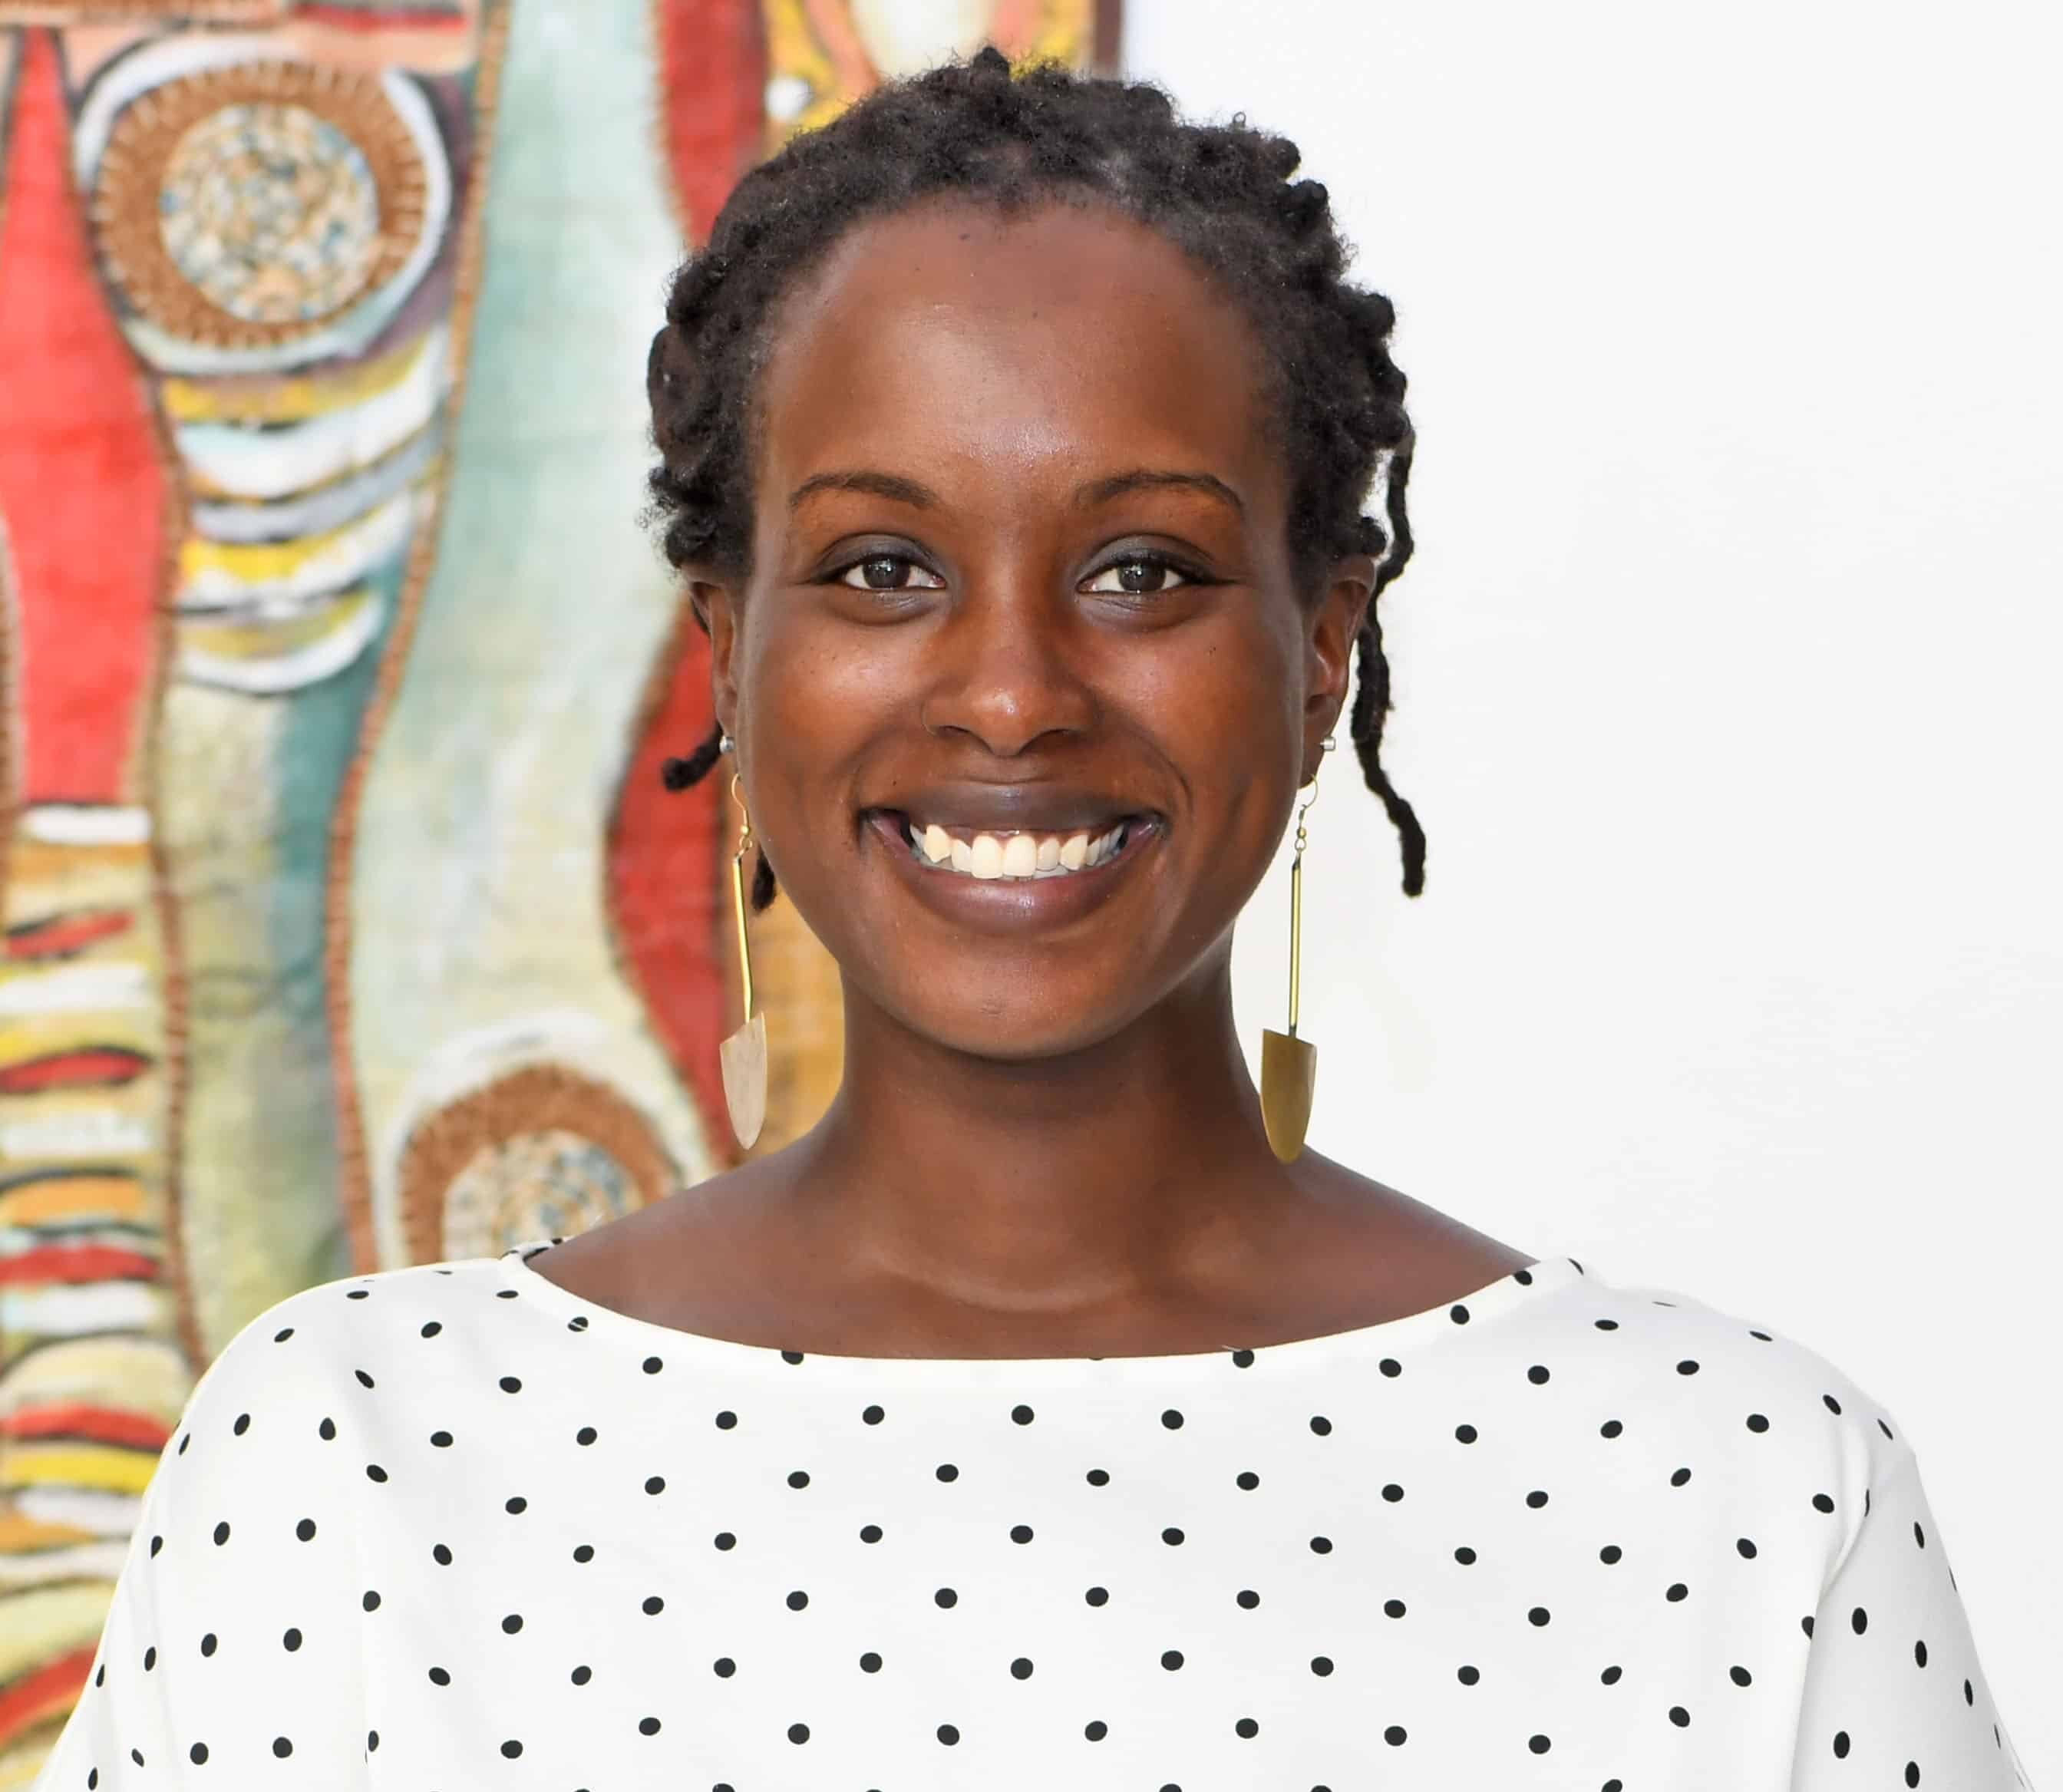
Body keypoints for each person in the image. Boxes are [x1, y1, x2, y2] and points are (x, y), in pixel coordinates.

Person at [31, 45, 2035, 1792]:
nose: (1009, 694)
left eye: (1144, 569)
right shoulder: (358, 1465)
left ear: (1320, 646)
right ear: (729, 650)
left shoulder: (1733, 1494)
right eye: (884, 568)